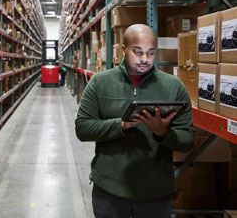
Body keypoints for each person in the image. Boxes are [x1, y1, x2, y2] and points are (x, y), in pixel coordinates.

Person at [75, 24, 194, 218]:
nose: (145, 59)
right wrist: (121, 125)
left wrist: (163, 132)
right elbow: (82, 128)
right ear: (123, 50)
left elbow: (187, 138)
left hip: (156, 193)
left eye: (150, 53)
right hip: (110, 190)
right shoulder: (100, 83)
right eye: (137, 52)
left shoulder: (174, 87)